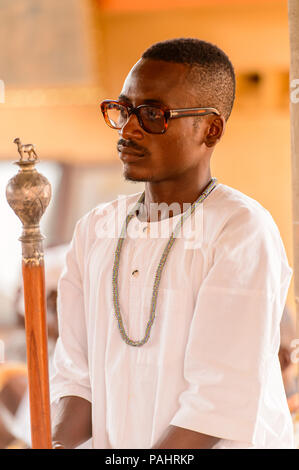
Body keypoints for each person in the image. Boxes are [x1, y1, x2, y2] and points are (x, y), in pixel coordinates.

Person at [50, 38, 294, 449]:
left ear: (210, 129)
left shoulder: (240, 229)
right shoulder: (95, 228)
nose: (128, 128)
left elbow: (216, 403)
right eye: (123, 110)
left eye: (152, 114)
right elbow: (77, 376)